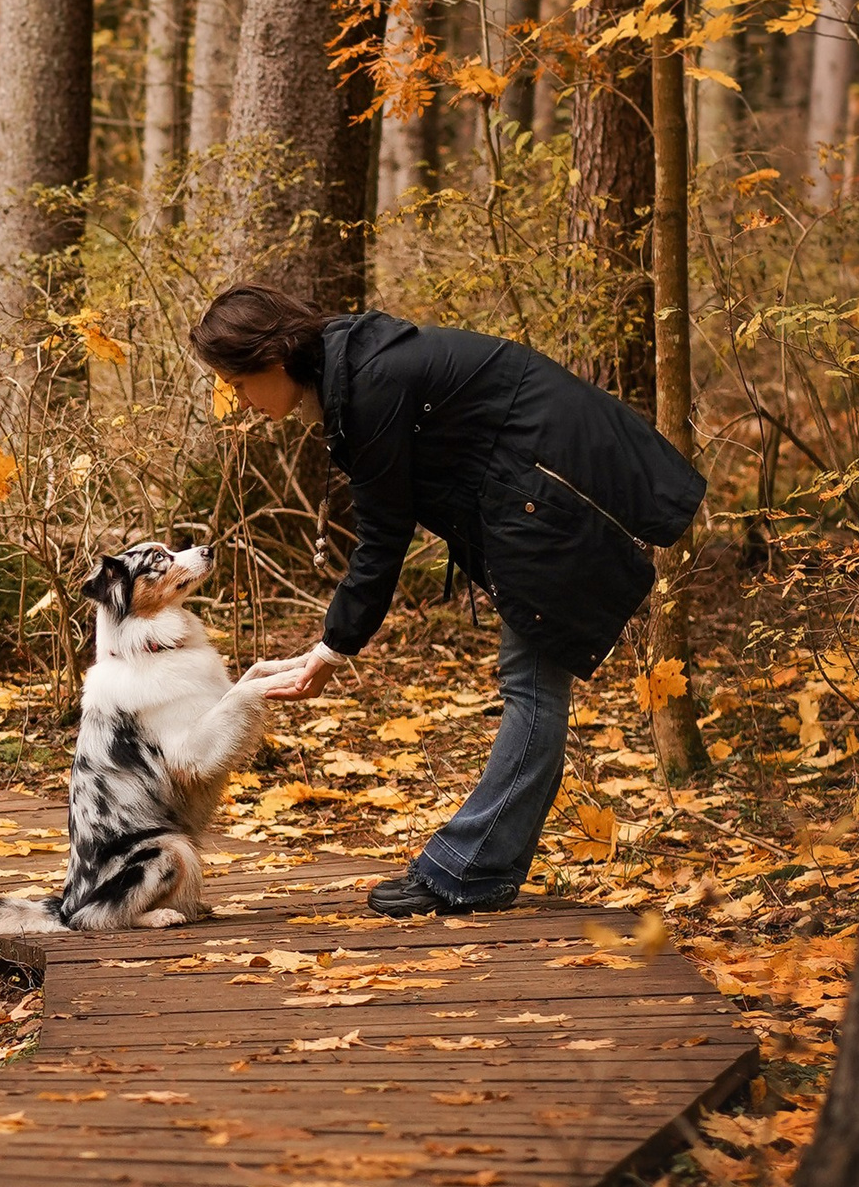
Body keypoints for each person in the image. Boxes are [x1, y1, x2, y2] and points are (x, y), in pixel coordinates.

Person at [190, 283, 704, 918]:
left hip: (555, 495)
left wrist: (331, 649)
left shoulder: (370, 382)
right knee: (535, 689)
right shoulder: (353, 369)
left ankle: (471, 870)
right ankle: (487, 867)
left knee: (532, 687)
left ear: (273, 358)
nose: (240, 401)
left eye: (239, 384)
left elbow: (383, 537)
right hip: (537, 494)